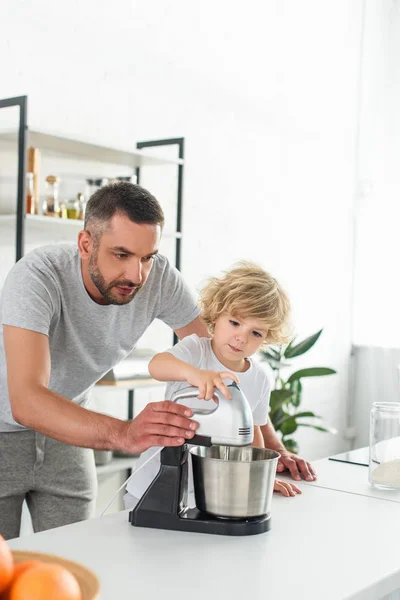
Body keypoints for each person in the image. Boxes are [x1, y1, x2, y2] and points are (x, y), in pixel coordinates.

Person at [0, 182, 209, 540]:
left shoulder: (157, 278)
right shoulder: (36, 276)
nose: (136, 275)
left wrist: (269, 445)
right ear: (85, 244)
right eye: (121, 254)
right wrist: (125, 433)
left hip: (67, 438)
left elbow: (213, 358)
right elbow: (27, 401)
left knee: (74, 563)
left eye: (147, 257)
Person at [125, 262, 306, 508]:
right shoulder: (196, 350)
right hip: (153, 484)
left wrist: (258, 479)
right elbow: (156, 366)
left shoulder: (259, 379)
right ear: (217, 314)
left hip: (211, 494)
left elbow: (253, 434)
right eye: (235, 323)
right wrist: (194, 374)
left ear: (267, 337)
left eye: (256, 333)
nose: (241, 338)